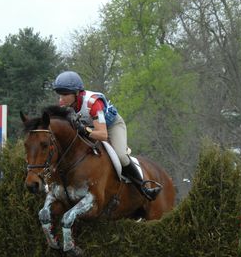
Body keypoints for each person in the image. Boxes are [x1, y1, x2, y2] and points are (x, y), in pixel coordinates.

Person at [52, 70, 161, 201]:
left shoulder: (93, 103)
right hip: (91, 127)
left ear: (76, 93)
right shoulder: (68, 105)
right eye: (59, 95)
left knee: (121, 155)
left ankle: (144, 188)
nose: (60, 99)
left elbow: (103, 134)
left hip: (112, 127)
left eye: (64, 94)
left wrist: (85, 130)